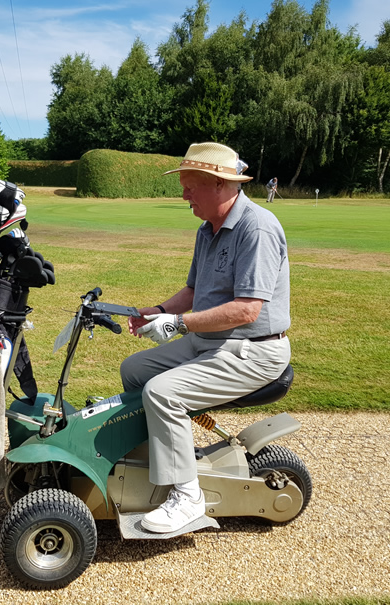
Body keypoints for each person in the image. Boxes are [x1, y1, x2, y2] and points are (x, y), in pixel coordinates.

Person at [120, 142, 291, 534]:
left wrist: (178, 324)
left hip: (254, 351)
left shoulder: (257, 228)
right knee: (135, 370)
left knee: (163, 393)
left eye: (189, 186)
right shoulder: (208, 229)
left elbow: (247, 310)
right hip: (213, 341)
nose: (184, 195)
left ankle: (187, 497)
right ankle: (154, 459)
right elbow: (194, 292)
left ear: (218, 184)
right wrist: (158, 311)